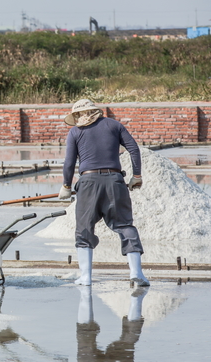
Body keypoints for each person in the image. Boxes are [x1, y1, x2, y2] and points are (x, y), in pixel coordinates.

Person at [58, 99, 149, 287]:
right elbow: (133, 149)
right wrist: (136, 176)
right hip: (115, 181)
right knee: (124, 225)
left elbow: (69, 163)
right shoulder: (114, 125)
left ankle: (86, 277)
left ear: (78, 114)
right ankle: (136, 273)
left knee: (84, 228)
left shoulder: (75, 132)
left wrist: (66, 186)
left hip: (88, 183)